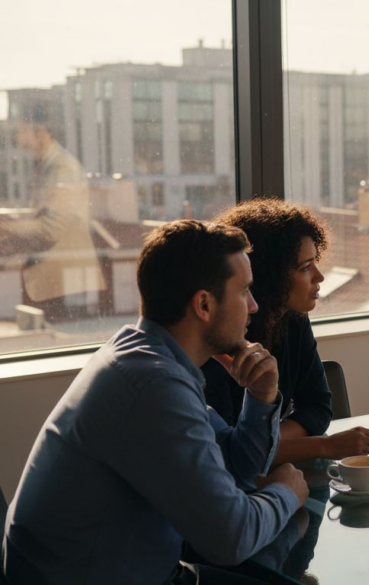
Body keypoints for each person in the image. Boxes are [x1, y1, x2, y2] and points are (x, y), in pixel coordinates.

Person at [2, 220, 308, 585]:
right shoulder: (153, 386)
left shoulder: (147, 358)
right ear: (204, 304)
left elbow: (239, 469)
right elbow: (233, 538)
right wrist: (287, 492)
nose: (254, 306)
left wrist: (260, 398)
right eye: (243, 291)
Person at [202, 199, 369, 464]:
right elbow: (225, 453)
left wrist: (261, 440)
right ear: (268, 275)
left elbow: (318, 408)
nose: (319, 276)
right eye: (305, 267)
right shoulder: (219, 338)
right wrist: (325, 446)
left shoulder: (293, 320)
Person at [0, 101, 106, 321]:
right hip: (57, 279)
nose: (19, 140)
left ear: (41, 131)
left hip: (64, 281)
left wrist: (7, 229)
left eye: (22, 132)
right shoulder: (47, 165)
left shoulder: (61, 167)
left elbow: (51, 228)